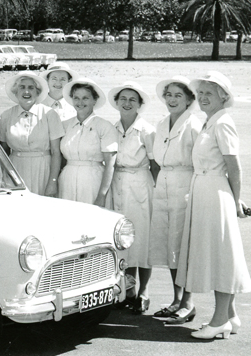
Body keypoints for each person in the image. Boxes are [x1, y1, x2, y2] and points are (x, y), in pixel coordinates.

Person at [177, 72, 251, 339]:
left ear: (224, 96)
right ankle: (230, 316)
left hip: (215, 194)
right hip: (205, 190)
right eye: (201, 93)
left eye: (210, 92)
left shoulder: (222, 123)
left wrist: (234, 200)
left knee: (221, 257)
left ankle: (219, 320)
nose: (203, 97)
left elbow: (235, 167)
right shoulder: (212, 121)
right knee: (214, 253)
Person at [149, 76, 202, 323]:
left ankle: (188, 303)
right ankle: (176, 299)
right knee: (170, 245)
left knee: (184, 246)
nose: (171, 99)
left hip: (186, 186)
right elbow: (156, 161)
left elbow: (202, 161)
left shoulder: (194, 124)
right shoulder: (161, 124)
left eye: (178, 95)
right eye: (168, 94)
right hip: (164, 186)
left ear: (190, 99)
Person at [108, 81, 157, 314]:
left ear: (139, 104)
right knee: (122, 239)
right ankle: (128, 291)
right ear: (116, 103)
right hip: (117, 183)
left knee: (141, 239)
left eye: (132, 100)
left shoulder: (146, 130)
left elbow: (155, 164)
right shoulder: (112, 128)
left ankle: (144, 292)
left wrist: (156, 192)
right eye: (123, 99)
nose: (127, 103)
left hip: (140, 185)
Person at [0, 71, 63, 196]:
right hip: (16, 170)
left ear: (38, 92)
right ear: (15, 92)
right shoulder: (6, 116)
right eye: (22, 87)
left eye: (31, 88)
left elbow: (56, 153)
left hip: (43, 169)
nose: (26, 92)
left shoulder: (49, 114)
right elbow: (4, 151)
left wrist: (53, 182)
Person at [58, 78, 118, 207]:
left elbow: (110, 165)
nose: (80, 102)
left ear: (94, 100)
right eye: (76, 98)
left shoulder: (104, 126)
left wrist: (102, 194)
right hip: (67, 181)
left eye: (85, 98)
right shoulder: (65, 125)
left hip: (92, 182)